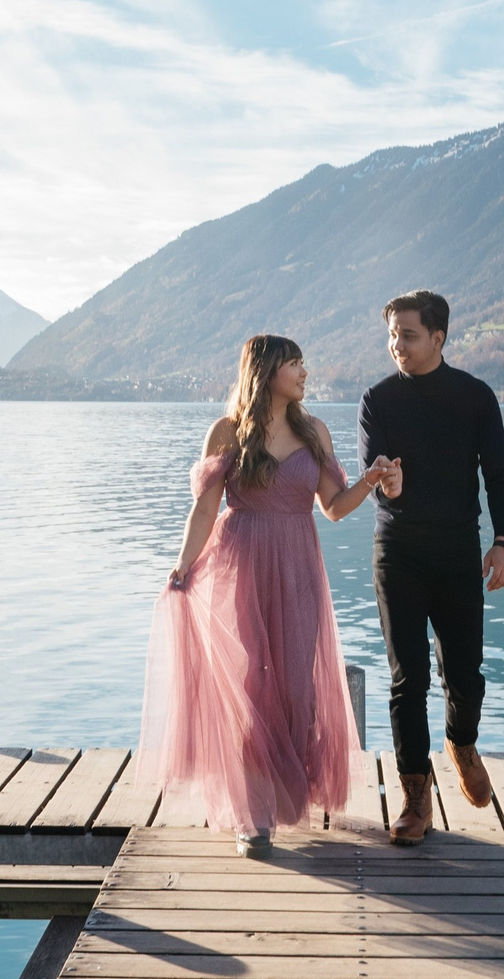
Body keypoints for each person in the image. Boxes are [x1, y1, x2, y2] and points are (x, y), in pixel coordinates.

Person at [140, 333, 397, 856]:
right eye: (296, 364)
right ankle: (252, 819)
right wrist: (182, 565)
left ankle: (284, 796)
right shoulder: (227, 431)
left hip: (299, 566)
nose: (305, 372)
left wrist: (369, 479)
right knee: (250, 689)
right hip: (240, 566)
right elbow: (207, 510)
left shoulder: (314, 430)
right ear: (267, 371)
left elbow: (333, 507)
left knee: (297, 688)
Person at [359, 290, 504, 846]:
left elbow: (499, 473)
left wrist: (502, 544)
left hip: (456, 553)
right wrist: (388, 481)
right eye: (392, 335)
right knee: (408, 679)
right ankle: (415, 794)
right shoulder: (377, 399)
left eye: (407, 334)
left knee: (465, 673)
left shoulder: (474, 397)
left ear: (439, 338)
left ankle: (462, 741)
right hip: (397, 552)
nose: (396, 345)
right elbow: (374, 468)